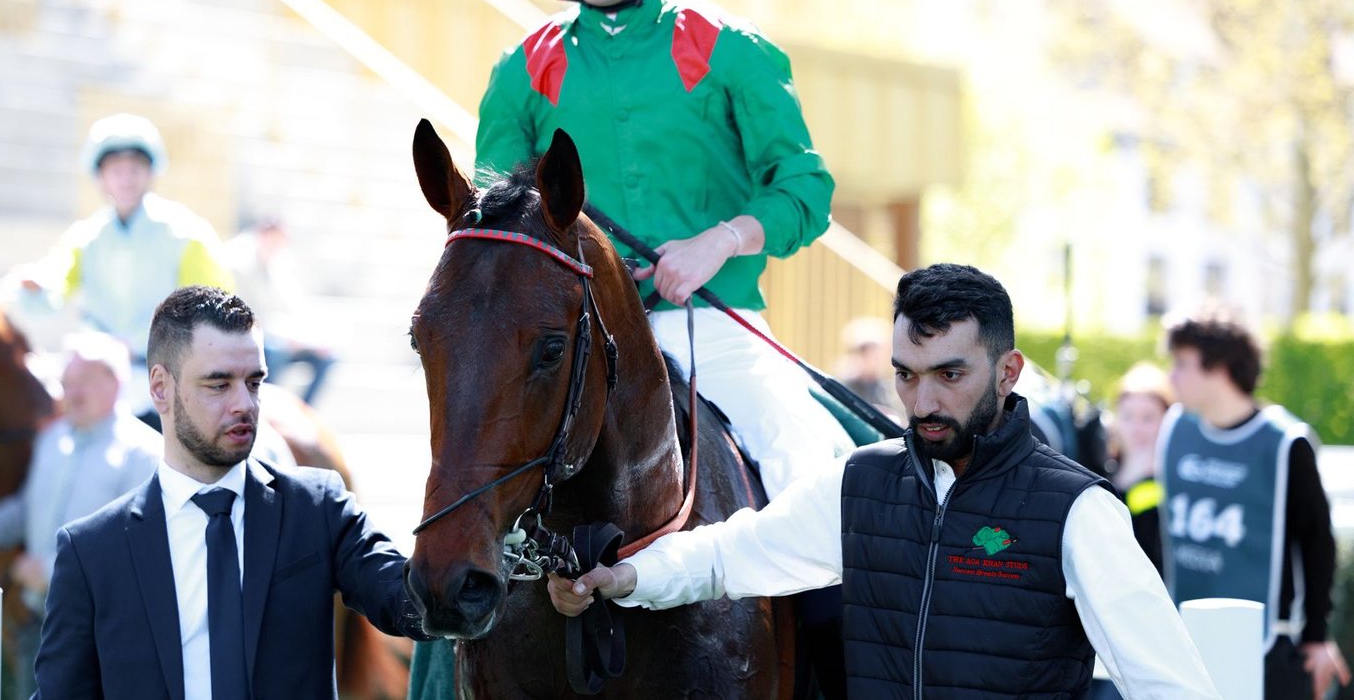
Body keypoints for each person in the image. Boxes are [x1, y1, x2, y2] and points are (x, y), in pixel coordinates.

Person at [548, 263, 1222, 699]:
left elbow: (1172, 686)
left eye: (950, 375)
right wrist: (625, 576)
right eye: (906, 375)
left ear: (1009, 372)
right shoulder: (859, 483)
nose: (923, 402)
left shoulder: (1078, 511)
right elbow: (729, 555)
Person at [474, 0, 853, 503]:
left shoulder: (732, 48)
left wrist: (721, 242)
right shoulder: (520, 70)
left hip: (715, 326)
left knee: (807, 465)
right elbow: (495, 215)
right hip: (576, 338)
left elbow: (805, 190)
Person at [32, 286, 428, 699]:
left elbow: (410, 600)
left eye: (253, 383)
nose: (245, 404)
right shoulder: (90, 551)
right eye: (219, 384)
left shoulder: (319, 507)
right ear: (161, 388)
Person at [0, 332, 161, 699]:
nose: (71, 393)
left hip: (104, 639)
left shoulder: (144, 454)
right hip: (40, 627)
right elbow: (27, 511)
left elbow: (140, 551)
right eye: (66, 383)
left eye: (83, 381)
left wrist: (51, 571)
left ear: (115, 382)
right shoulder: (52, 441)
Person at [1159, 311, 1350, 700]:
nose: (1171, 377)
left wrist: (1316, 637)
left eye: (1181, 364)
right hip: (1185, 642)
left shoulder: (1284, 442)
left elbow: (1318, 542)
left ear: (1219, 368)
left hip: (1268, 649)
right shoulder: (1176, 428)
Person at [15, 112, 234, 429]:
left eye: (135, 169)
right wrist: (37, 285)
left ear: (151, 173)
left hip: (162, 382)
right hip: (94, 381)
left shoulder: (187, 234)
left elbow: (214, 308)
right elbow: (53, 285)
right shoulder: (85, 236)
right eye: (116, 170)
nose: (126, 178)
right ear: (101, 178)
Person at [224, 218, 338, 406]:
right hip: (255, 339)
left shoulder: (282, 267)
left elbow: (295, 309)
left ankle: (302, 409)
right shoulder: (240, 267)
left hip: (287, 337)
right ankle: (263, 406)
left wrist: (307, 338)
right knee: (274, 351)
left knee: (327, 357)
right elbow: (248, 318)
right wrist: (286, 337)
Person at [1108, 361, 1171, 571]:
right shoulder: (1101, 470)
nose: (1137, 428)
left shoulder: (1174, 481)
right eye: (1127, 417)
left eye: (1148, 418)